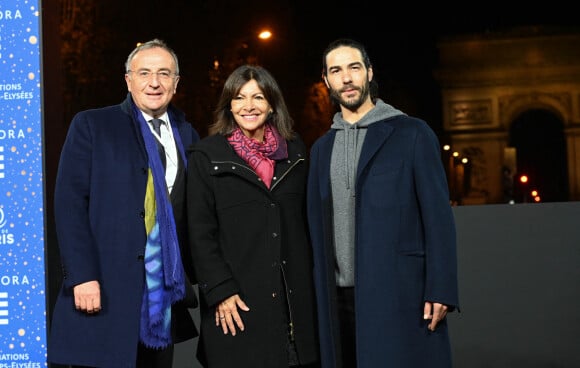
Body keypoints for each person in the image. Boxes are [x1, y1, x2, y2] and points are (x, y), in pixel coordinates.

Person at [306, 38, 460, 368]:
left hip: (399, 291)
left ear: (369, 73)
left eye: (354, 68)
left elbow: (438, 217)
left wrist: (441, 288)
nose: (346, 78)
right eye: (336, 70)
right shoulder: (320, 149)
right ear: (326, 80)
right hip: (338, 299)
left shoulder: (412, 133)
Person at [48, 38, 200, 368]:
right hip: (105, 289)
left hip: (162, 301)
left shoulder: (187, 134)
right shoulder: (93, 125)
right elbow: (70, 204)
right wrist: (82, 276)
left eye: (164, 73)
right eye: (144, 72)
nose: (154, 82)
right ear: (128, 79)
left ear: (176, 82)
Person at [186, 64, 319, 368]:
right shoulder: (206, 156)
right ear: (228, 105)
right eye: (239, 98)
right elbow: (199, 232)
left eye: (258, 97)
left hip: (293, 301)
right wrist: (220, 291)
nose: (248, 106)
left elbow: (306, 224)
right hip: (238, 299)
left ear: (272, 104)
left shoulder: (296, 153)